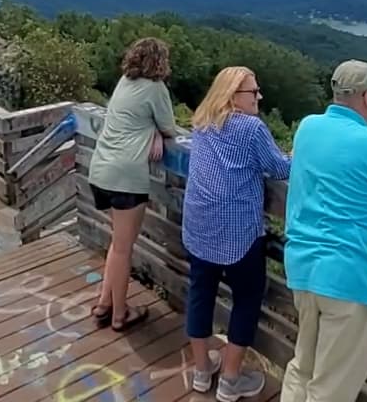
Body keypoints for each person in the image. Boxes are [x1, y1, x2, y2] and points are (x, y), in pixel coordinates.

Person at [280, 60, 367, 402]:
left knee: (303, 368)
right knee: (331, 388)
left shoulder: (308, 128)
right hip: (347, 276)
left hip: (302, 266)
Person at [182, 66, 291, 402]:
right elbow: (281, 168)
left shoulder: (203, 120)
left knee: (200, 294)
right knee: (246, 299)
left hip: (199, 225)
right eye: (253, 92)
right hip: (238, 233)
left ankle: (202, 372)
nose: (259, 97)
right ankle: (230, 380)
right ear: (232, 96)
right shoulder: (250, 128)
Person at [87, 37, 177, 333]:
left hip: (100, 169)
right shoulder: (156, 89)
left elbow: (133, 120)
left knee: (118, 244)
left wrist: (149, 130)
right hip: (126, 176)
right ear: (160, 62)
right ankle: (120, 314)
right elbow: (170, 128)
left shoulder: (125, 81)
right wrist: (156, 133)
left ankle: (104, 303)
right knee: (123, 248)